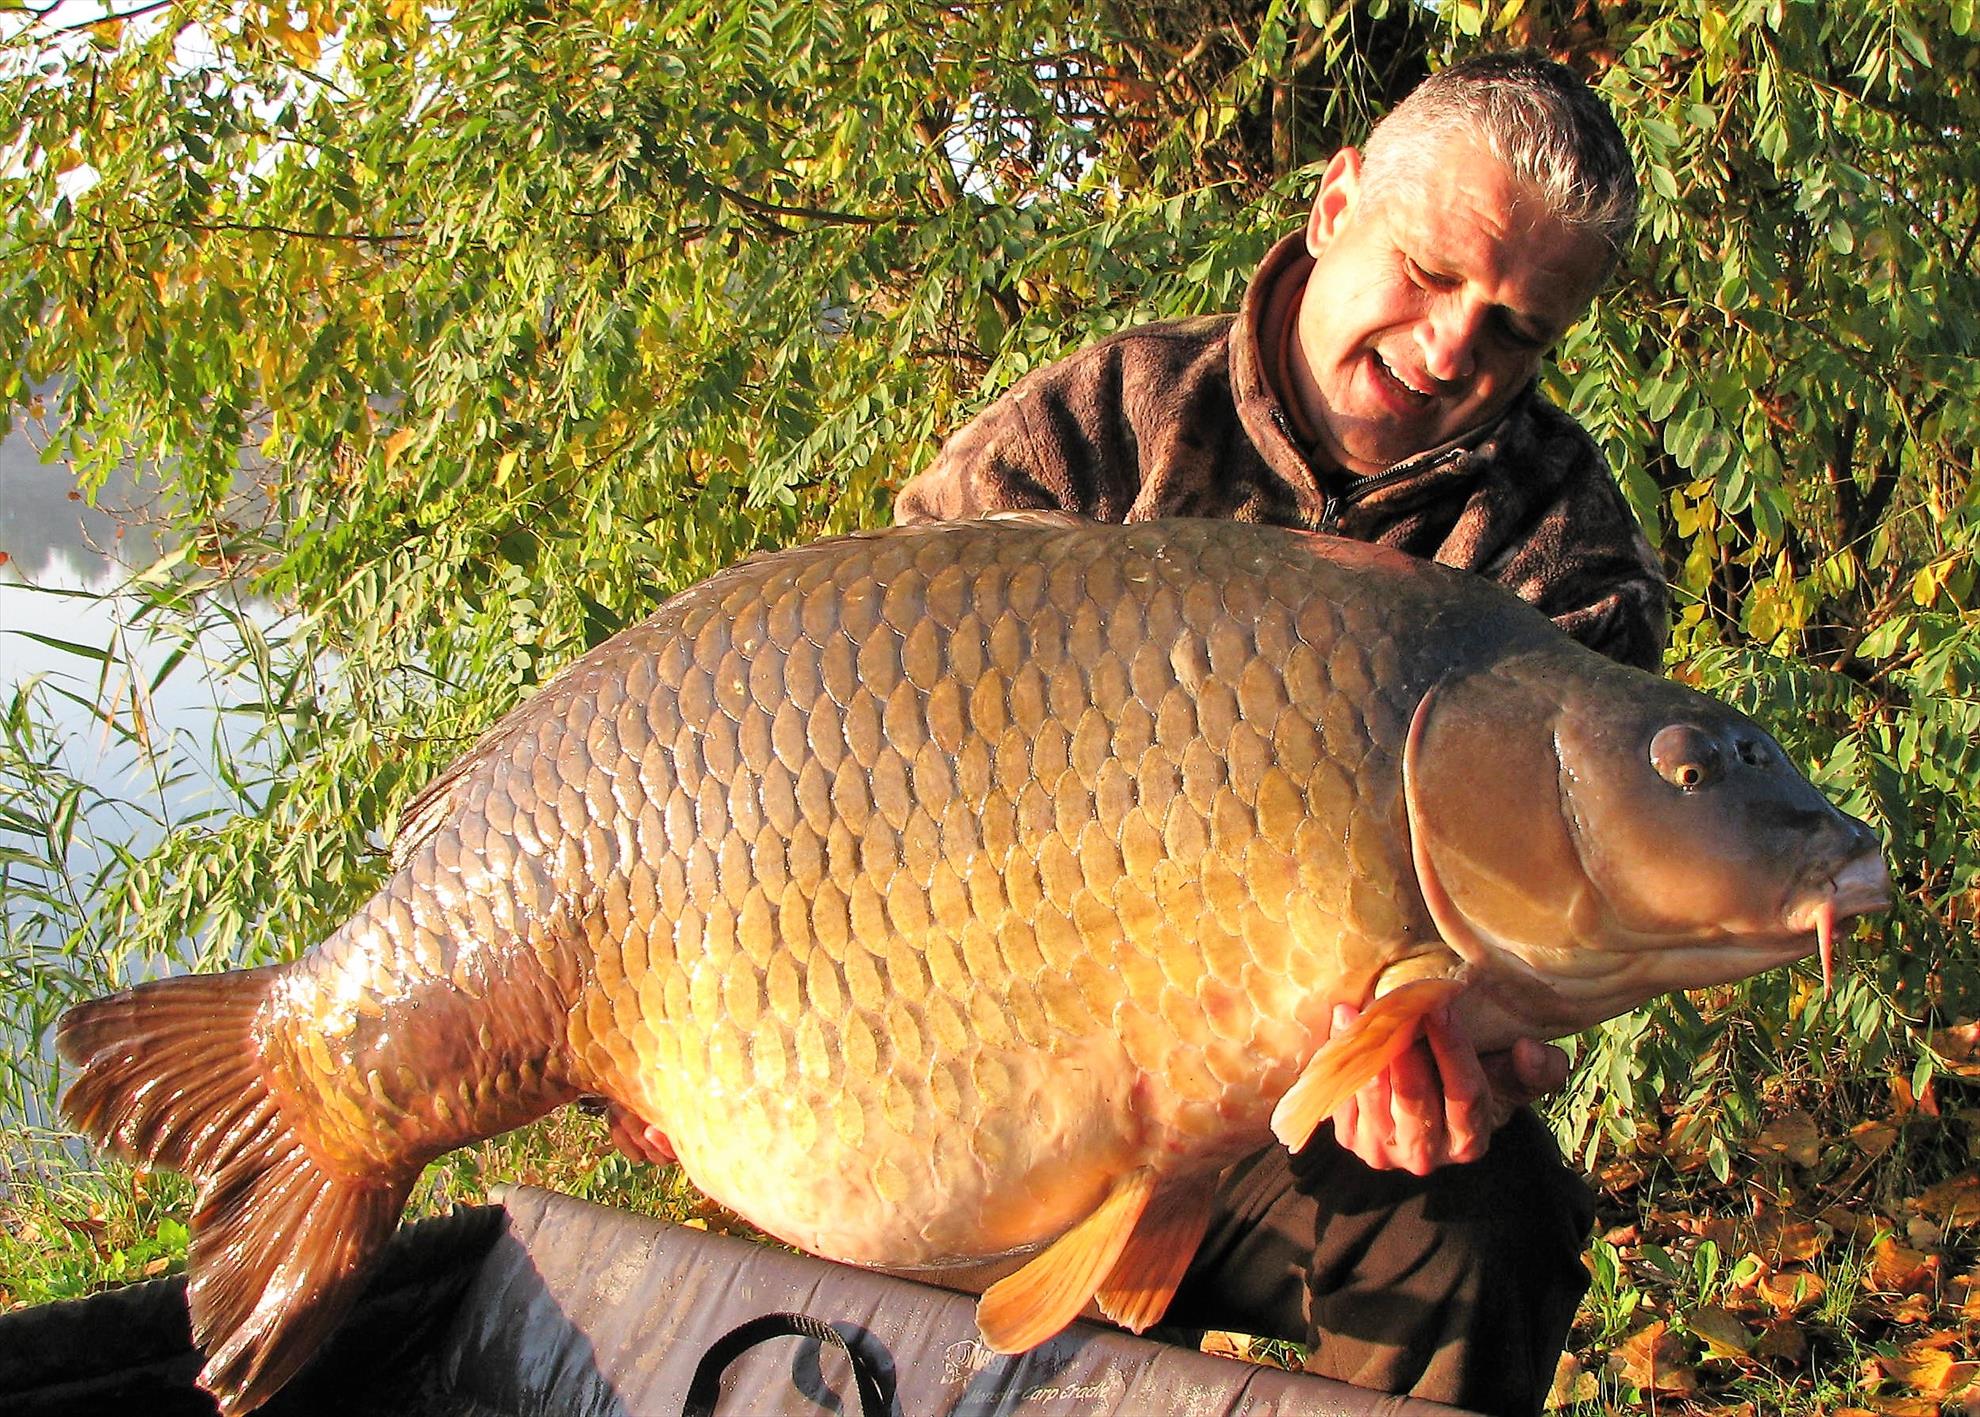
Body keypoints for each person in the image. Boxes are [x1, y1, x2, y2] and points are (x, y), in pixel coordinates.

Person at [888, 49, 1668, 1417]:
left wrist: (1473, 1049)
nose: (1450, 353)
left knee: (1492, 1219)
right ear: (1335, 204)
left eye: (1514, 331)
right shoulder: (1093, 435)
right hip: (1002, 1060)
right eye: (1430, 275)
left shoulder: (1559, 553)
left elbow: (1558, 937)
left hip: (1302, 1118)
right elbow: (853, 726)